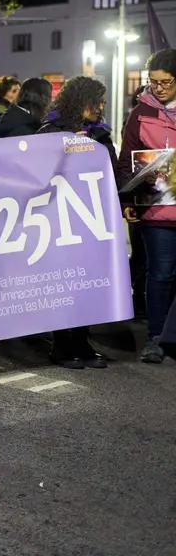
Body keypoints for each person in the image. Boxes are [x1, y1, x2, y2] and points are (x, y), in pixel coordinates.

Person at [38, 76, 113, 369]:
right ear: (81, 102)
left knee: (89, 282)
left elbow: (111, 169)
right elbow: (37, 171)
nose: (101, 107)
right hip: (60, 217)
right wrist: (67, 150)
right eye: (97, 101)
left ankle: (82, 342)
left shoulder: (100, 133)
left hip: (93, 218)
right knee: (64, 283)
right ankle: (61, 345)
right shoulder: (51, 130)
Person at [117, 49, 176, 363]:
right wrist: (128, 199)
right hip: (155, 210)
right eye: (153, 82)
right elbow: (126, 160)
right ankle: (155, 339)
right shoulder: (140, 113)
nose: (159, 88)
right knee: (160, 274)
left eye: (166, 82)